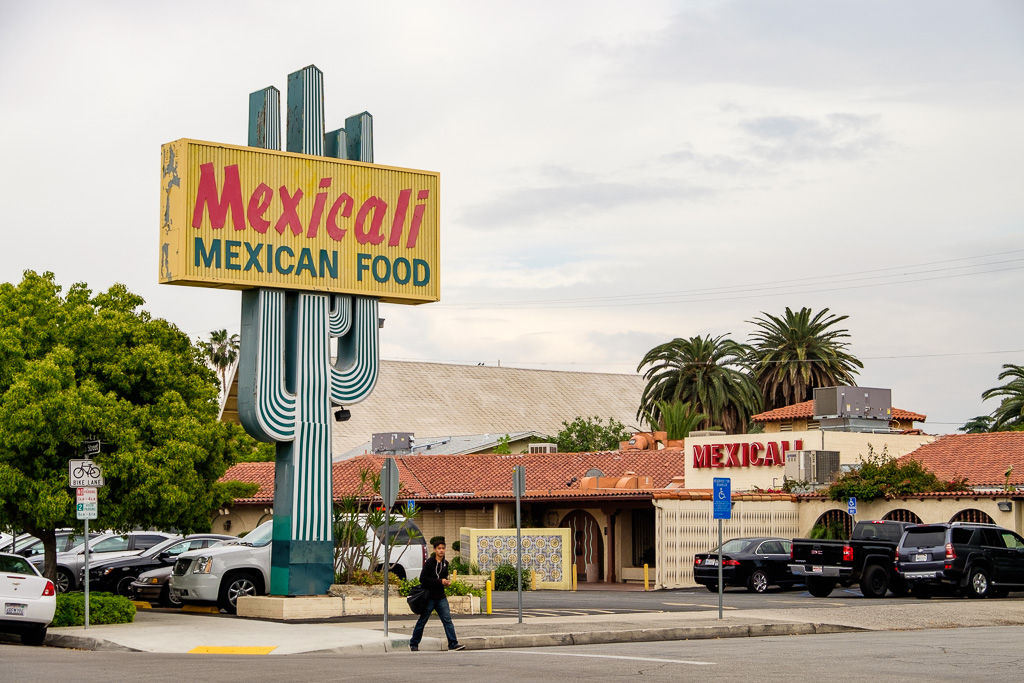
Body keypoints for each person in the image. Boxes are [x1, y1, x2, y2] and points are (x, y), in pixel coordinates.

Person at [409, 540, 464, 652]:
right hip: (429, 597)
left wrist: (446, 583)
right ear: (434, 549)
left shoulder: (445, 564)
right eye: (439, 548)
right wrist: (440, 581)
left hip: (441, 597)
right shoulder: (429, 562)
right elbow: (423, 579)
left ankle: (453, 643)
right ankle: (414, 644)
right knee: (422, 621)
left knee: (447, 620)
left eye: (443, 548)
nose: (441, 550)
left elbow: (443, 578)